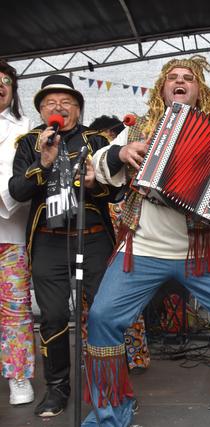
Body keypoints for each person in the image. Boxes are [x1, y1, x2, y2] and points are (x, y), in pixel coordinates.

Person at [83, 55, 210, 426]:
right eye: (173, 77)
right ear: (162, 88)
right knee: (103, 317)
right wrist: (120, 153)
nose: (181, 81)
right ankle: (110, 413)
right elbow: (101, 171)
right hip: (145, 247)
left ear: (199, 90)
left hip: (202, 249)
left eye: (189, 78)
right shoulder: (138, 130)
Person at [9, 74, 116, 417]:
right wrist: (43, 161)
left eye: (67, 102)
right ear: (41, 110)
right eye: (51, 103)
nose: (59, 108)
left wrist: (95, 182)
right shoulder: (28, 143)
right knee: (53, 316)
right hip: (48, 241)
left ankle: (108, 387)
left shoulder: (97, 139)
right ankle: (57, 388)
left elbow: (117, 191)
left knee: (103, 315)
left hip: (94, 236)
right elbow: (17, 191)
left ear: (79, 110)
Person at [88, 115, 151, 374]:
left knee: (126, 300)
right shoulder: (100, 160)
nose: (109, 141)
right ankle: (97, 354)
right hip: (98, 241)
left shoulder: (127, 168)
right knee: (94, 303)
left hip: (127, 242)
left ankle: (136, 356)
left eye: (109, 136)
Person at [0, 59, 35, 406]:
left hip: (10, 233)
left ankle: (19, 375)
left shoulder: (26, 128)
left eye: (4, 80)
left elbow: (25, 180)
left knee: (14, 311)